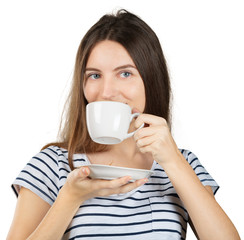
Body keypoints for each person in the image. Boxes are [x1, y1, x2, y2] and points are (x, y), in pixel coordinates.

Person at [7, 9, 240, 240]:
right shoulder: (52, 165)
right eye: (94, 76)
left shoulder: (183, 164)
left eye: (125, 74)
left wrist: (172, 161)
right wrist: (70, 198)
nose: (106, 92)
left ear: (151, 80)